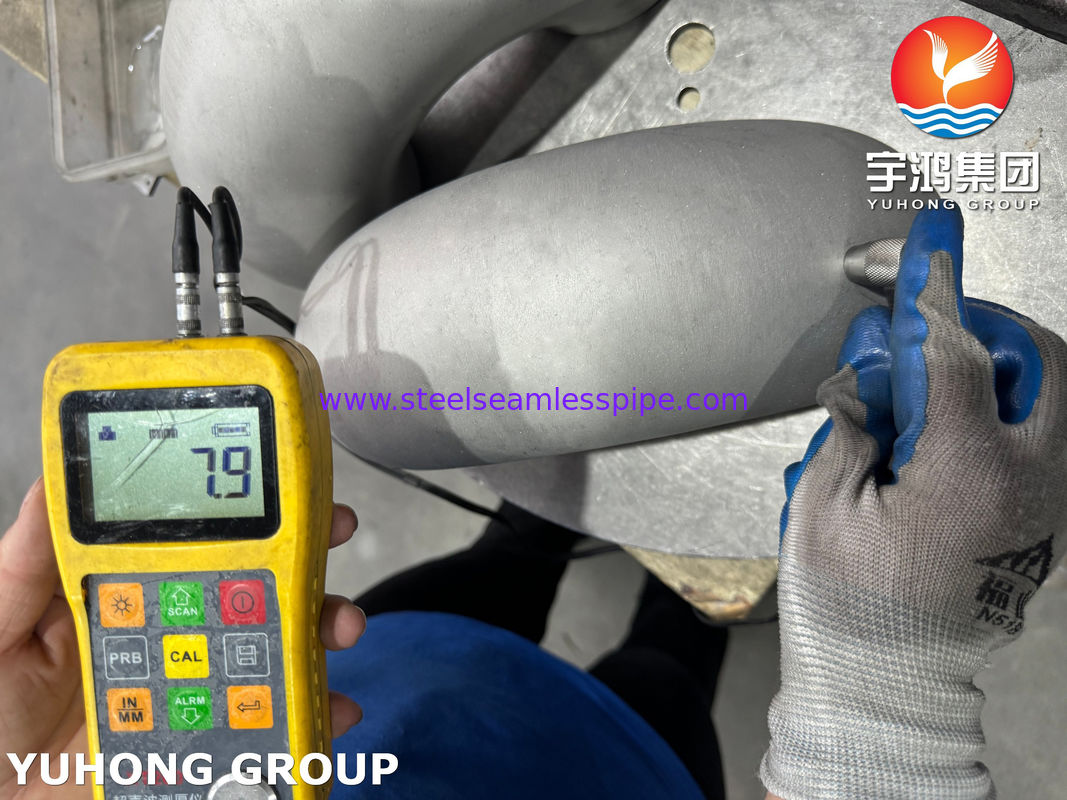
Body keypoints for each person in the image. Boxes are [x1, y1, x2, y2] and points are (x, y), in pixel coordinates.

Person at [0, 204, 1064, 800]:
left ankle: (550, 509)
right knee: (663, 666)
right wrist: (883, 711)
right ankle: (696, 586)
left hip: (390, 683)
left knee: (499, 565)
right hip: (604, 772)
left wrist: (26, 771)